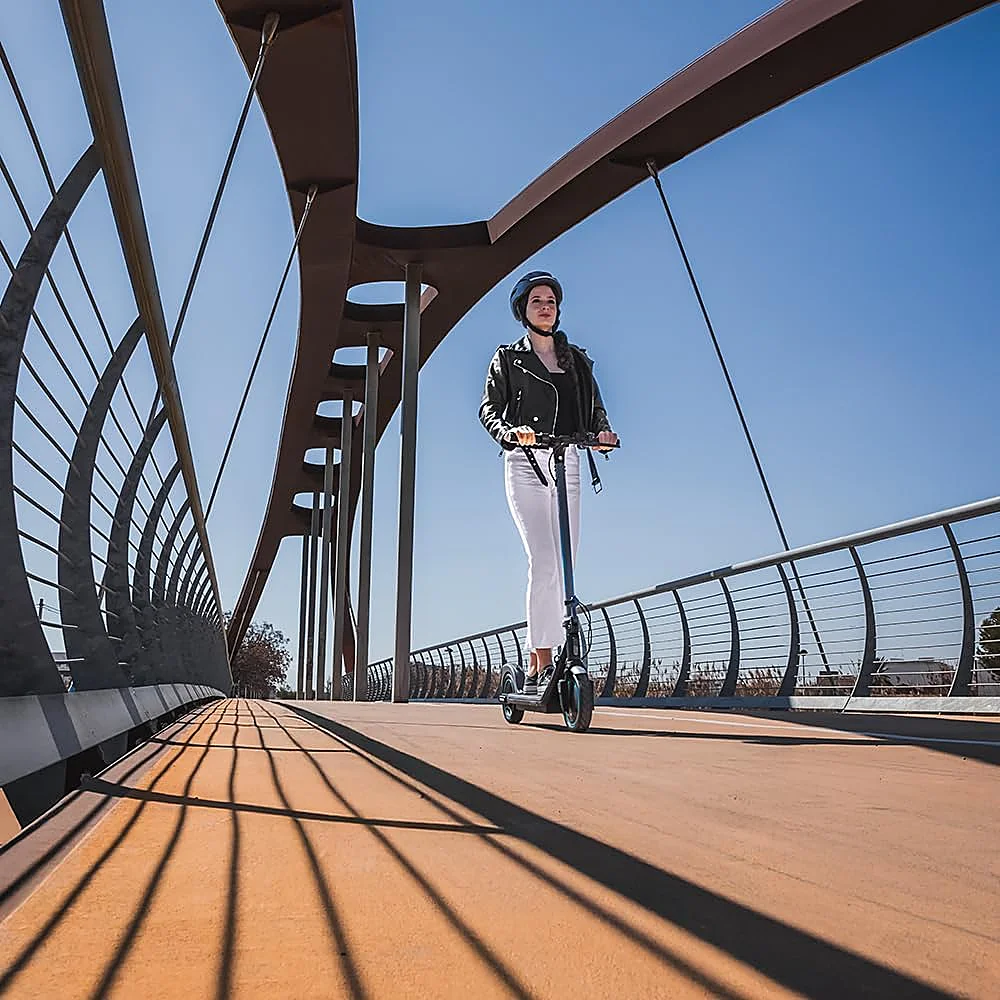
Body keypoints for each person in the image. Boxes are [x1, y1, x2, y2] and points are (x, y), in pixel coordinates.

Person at [479, 270, 618, 693]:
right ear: (523, 310)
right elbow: (490, 409)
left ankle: (558, 653)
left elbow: (595, 408)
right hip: (526, 463)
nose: (545, 307)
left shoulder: (576, 359)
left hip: (567, 460)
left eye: (551, 301)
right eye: (536, 301)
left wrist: (603, 433)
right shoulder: (508, 358)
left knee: (564, 564)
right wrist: (509, 433)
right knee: (542, 559)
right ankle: (539, 656)